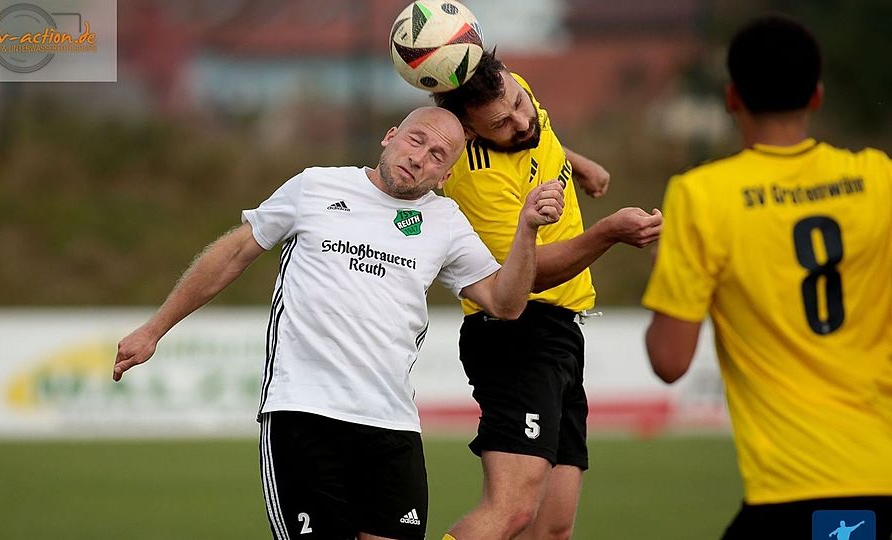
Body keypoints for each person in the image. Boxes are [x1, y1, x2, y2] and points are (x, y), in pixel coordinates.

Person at [111, 106, 566, 540]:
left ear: (445, 176)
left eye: (436, 156)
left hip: (392, 426)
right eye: (415, 140)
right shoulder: (316, 187)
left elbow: (505, 304)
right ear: (390, 137)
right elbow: (234, 253)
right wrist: (154, 329)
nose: (418, 158)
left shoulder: (445, 221)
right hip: (305, 414)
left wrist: (526, 229)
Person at [643, 15, 892, 539]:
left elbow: (669, 361)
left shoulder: (702, 195)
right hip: (880, 467)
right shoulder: (878, 178)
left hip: (799, 488)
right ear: (817, 95)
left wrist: (675, 270)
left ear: (732, 97)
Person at [432, 51, 663, 539]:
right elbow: (526, 277)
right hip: (517, 335)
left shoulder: (510, 90)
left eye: (519, 104)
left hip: (560, 333)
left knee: (553, 527)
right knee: (512, 512)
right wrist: (608, 233)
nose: (521, 121)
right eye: (501, 124)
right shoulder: (477, 178)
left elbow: (539, 134)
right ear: (470, 132)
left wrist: (576, 164)